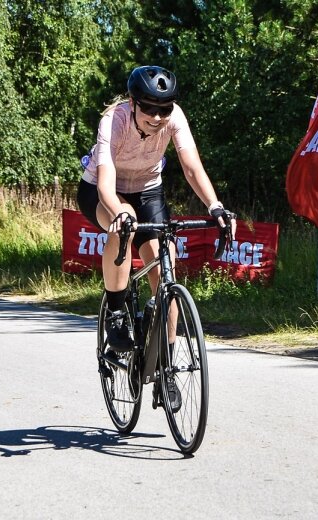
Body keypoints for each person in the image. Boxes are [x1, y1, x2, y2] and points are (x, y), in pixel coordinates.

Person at [78, 66, 236, 406]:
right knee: (126, 223)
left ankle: (166, 368)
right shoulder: (115, 120)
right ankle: (117, 313)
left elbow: (192, 166)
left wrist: (215, 207)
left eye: (164, 108)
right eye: (149, 107)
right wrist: (118, 211)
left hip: (149, 190)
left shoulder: (174, 118)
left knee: (166, 272)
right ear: (134, 103)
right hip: (103, 191)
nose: (157, 116)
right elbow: (105, 182)